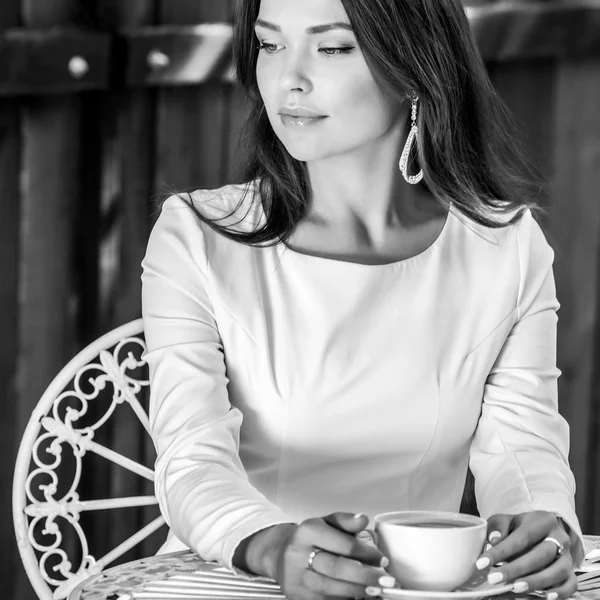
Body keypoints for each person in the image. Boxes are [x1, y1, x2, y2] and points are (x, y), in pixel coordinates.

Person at [140, 0, 585, 599]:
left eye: (331, 48)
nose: (288, 79)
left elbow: (522, 448)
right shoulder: (197, 236)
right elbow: (190, 460)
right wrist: (272, 546)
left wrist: (544, 526)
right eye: (270, 45)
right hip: (232, 580)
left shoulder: (504, 245)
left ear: (415, 65)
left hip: (421, 587)